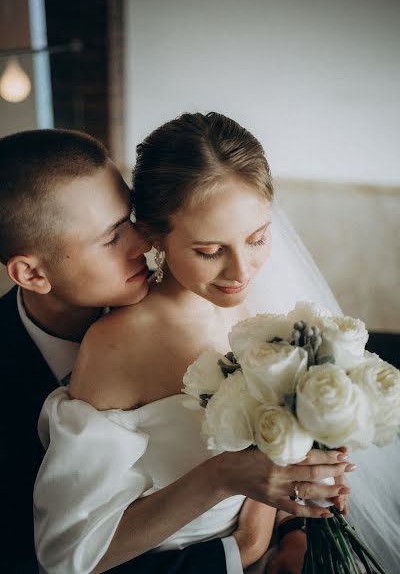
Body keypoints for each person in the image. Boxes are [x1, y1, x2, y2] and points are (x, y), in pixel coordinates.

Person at [33, 113, 353, 574]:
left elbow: (284, 468)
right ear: (154, 237)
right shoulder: (119, 344)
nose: (242, 271)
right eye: (209, 251)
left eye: (258, 239)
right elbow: (70, 553)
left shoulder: (283, 310)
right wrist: (223, 479)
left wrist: (294, 525)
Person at [0, 128, 240, 574]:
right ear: (32, 274)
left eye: (130, 219)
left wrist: (284, 526)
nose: (144, 244)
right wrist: (237, 553)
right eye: (111, 238)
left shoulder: (181, 304)